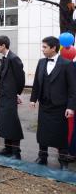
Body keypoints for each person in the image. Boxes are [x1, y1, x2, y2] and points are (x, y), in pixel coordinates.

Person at [30, 36, 76, 170]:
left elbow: (73, 88)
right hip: (44, 105)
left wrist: (71, 107)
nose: (42, 49)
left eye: (45, 47)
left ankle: (63, 161)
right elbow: (37, 83)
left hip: (60, 106)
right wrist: (33, 99)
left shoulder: (67, 64)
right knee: (42, 132)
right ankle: (42, 157)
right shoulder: (41, 62)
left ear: (53, 48)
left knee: (60, 134)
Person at [0, 35, 25, 160]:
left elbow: (20, 78)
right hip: (4, 96)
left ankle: (16, 151)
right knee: (4, 122)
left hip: (10, 96)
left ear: (3, 45)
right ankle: (8, 148)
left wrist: (17, 94)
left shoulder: (14, 58)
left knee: (12, 123)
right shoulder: (5, 58)